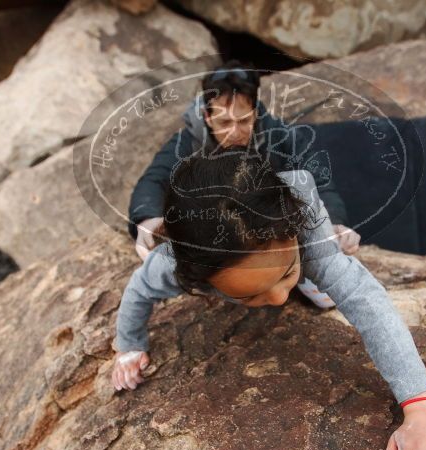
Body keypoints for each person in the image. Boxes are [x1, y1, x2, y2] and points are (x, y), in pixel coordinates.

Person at [110, 153, 426, 450]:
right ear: (198, 280)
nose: (277, 300)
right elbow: (139, 289)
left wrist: (419, 405)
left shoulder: (302, 220)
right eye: (250, 295)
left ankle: (308, 277)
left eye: (286, 273)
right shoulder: (170, 266)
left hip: (301, 224)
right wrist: (129, 344)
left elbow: (366, 299)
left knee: (325, 268)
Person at [127, 60, 360, 308]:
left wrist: (334, 224)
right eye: (225, 123)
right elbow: (156, 178)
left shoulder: (282, 136)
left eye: (244, 121)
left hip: (275, 232)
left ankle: (302, 272)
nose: (235, 132)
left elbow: (319, 183)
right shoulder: (187, 143)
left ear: (255, 112)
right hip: (220, 237)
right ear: (207, 116)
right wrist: (146, 218)